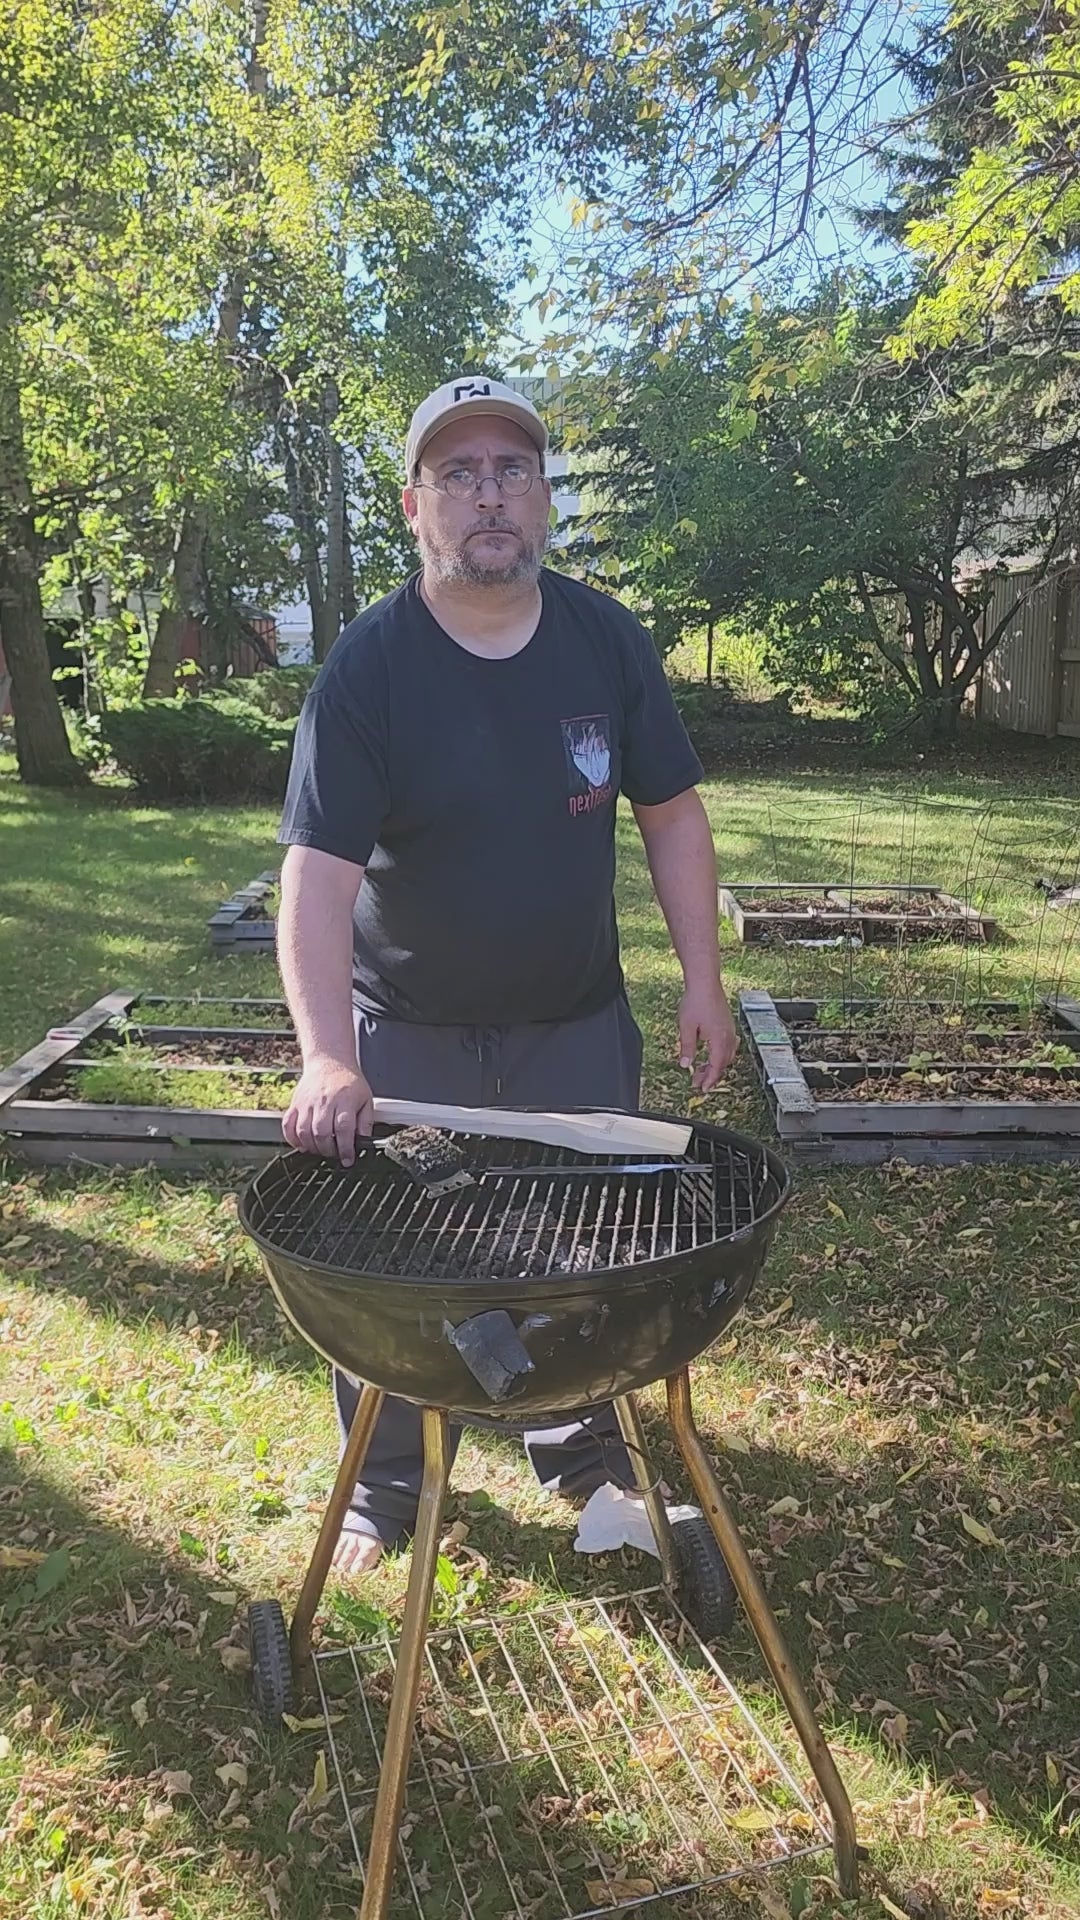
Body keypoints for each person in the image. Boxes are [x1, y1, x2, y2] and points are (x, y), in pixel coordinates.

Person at [277, 373, 738, 1575]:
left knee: (585, 1254)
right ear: (415, 505)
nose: (490, 495)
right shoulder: (369, 671)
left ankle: (583, 1457)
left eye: (512, 470)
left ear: (542, 497)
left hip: (574, 1028)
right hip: (408, 1035)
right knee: (391, 1270)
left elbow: (673, 815)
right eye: (459, 473)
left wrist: (703, 980)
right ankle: (384, 1487)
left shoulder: (605, 640)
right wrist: (325, 1056)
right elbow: (315, 880)